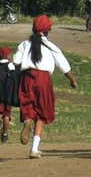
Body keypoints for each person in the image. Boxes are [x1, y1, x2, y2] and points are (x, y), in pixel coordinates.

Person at [14, 14, 78, 159]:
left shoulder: (25, 44)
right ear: (48, 30)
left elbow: (16, 61)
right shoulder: (51, 46)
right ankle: (34, 149)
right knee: (42, 112)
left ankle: (27, 120)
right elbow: (64, 65)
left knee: (28, 106)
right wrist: (72, 80)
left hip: (27, 77)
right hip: (43, 79)